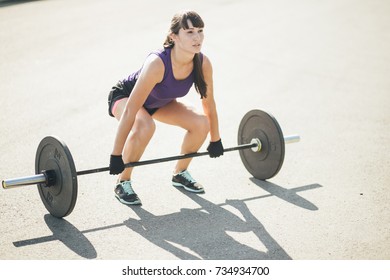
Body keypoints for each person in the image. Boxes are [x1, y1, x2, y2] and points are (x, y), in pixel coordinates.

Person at [108, 10, 224, 205]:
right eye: (189, 32)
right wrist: (116, 155)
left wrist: (215, 138)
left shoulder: (202, 63)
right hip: (125, 97)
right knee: (145, 126)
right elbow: (130, 110)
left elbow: (208, 103)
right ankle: (123, 181)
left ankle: (180, 173)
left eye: (200, 31)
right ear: (174, 36)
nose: (197, 37)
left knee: (201, 123)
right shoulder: (157, 63)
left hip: (160, 102)